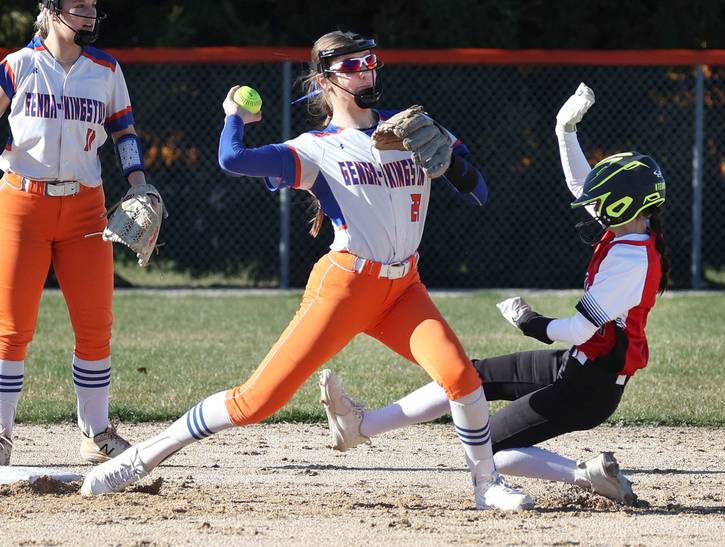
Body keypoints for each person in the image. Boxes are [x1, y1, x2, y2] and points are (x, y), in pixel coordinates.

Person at [81, 30, 532, 511]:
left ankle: (486, 486)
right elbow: (232, 160)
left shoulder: (412, 128)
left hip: (403, 288)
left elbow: (479, 191)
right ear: (325, 81)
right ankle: (141, 458)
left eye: (372, 62)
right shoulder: (317, 148)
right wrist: (234, 115)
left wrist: (456, 168)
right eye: (354, 66)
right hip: (345, 286)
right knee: (257, 402)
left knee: (460, 377)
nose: (368, 71)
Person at [318, 83, 670, 505]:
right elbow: (583, 186)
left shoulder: (630, 262)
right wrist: (565, 130)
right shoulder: (632, 230)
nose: (591, 205)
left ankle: (586, 476)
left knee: (490, 450)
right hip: (579, 368)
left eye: (603, 201)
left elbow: (579, 329)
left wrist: (531, 322)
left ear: (623, 207)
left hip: (590, 387)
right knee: (468, 378)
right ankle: (360, 426)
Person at [0, 0, 160, 465]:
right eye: (78, 6)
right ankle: (1, 434)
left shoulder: (106, 69)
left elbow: (124, 131)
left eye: (92, 6)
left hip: (85, 208)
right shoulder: (18, 66)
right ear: (49, 10)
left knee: (95, 325)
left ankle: (95, 432)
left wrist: (138, 182)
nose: (89, 15)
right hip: (21, 204)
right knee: (12, 328)